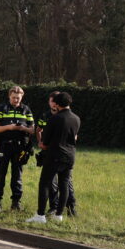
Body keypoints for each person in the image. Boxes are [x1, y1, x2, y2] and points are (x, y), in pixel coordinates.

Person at [28, 91, 80, 223]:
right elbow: (74, 138)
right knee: (64, 184)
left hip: (55, 155)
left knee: (45, 183)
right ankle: (59, 215)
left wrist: (42, 144)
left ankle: (40, 215)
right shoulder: (76, 118)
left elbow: (45, 143)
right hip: (70, 156)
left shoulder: (54, 119)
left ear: (56, 104)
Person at [0, 86, 34, 211]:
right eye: (14, 98)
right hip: (4, 145)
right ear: (9, 96)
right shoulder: (2, 108)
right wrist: (9, 127)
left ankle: (16, 203)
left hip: (20, 147)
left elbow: (32, 129)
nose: (16, 100)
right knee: (0, 175)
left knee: (17, 175)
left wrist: (22, 128)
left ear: (22, 97)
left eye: (18, 98)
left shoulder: (26, 110)